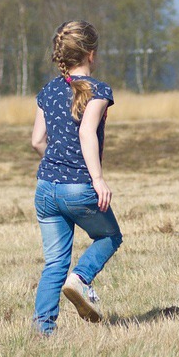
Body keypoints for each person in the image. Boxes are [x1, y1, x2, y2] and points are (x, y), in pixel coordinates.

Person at [30, 20, 122, 335]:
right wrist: (96, 178)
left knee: (54, 263)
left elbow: (37, 141)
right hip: (78, 188)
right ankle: (81, 279)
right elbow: (86, 132)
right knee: (110, 237)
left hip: (45, 188)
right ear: (91, 54)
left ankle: (43, 330)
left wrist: (56, 166)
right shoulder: (98, 90)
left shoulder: (47, 91)